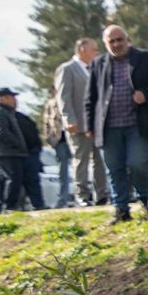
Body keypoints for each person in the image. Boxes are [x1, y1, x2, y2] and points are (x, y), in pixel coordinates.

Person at [86, 25, 148, 223]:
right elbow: (90, 97)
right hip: (108, 127)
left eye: (119, 40)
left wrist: (145, 94)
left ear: (127, 39)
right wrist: (89, 125)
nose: (116, 44)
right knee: (114, 169)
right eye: (111, 41)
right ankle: (121, 210)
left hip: (137, 125)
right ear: (105, 44)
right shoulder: (98, 64)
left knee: (137, 164)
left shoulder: (144, 58)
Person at [55, 38, 109, 206]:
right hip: (78, 124)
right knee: (81, 160)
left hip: (96, 124)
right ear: (82, 50)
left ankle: (101, 194)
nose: (97, 52)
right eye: (94, 49)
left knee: (100, 160)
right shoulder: (67, 69)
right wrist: (68, 119)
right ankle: (82, 195)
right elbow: (63, 97)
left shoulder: (95, 68)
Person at [43, 88, 71, 207]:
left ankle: (83, 196)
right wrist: (50, 139)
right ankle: (63, 200)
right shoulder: (51, 104)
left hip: (75, 138)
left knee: (80, 168)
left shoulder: (72, 99)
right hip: (60, 141)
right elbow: (47, 123)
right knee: (63, 172)